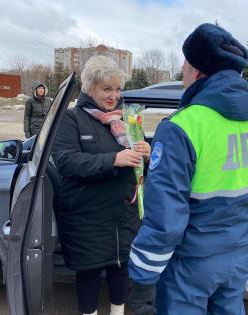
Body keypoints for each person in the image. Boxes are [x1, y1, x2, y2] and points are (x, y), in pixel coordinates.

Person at [127, 23, 248, 315]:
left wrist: (142, 282)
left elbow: (165, 218)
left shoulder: (181, 127)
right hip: (236, 260)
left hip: (188, 266)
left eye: (184, 67)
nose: (182, 75)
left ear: (197, 71)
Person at [51, 55, 151, 315]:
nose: (113, 95)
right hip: (87, 217)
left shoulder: (129, 121)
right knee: (89, 274)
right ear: (90, 88)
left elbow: (140, 172)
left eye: (118, 89)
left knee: (121, 270)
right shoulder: (72, 118)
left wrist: (147, 155)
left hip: (123, 216)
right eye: (107, 89)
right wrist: (113, 160)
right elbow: (66, 161)